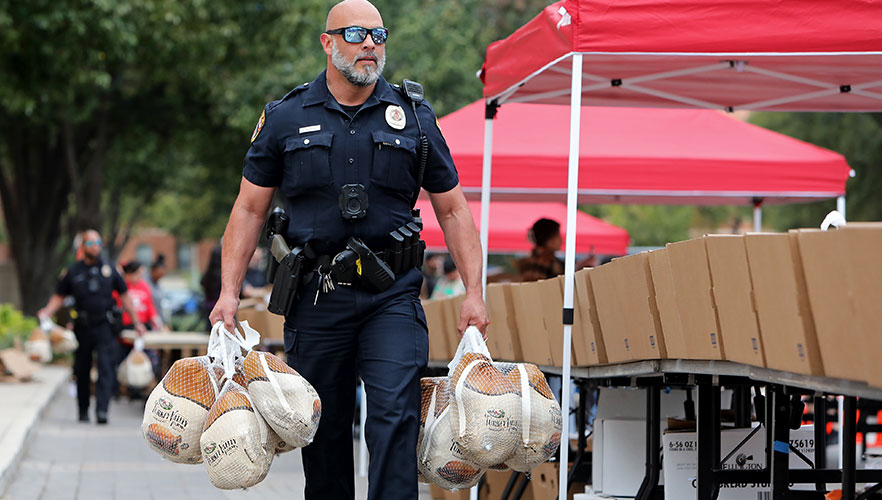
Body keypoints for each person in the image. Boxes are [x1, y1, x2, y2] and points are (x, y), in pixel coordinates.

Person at [209, 1, 487, 498]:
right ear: (327, 41)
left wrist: (474, 292)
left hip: (392, 297)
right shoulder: (286, 117)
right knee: (324, 431)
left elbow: (453, 210)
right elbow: (249, 210)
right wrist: (228, 293)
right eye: (356, 34)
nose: (369, 46)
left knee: (394, 417)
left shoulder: (415, 117)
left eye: (378, 36)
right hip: (316, 299)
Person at [38, 230, 146, 424]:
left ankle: (102, 411)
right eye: (90, 243)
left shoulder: (110, 269)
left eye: (98, 243)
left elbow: (124, 296)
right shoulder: (73, 271)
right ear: (83, 247)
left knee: (106, 368)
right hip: (82, 327)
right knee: (82, 369)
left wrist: (137, 322)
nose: (95, 246)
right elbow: (59, 296)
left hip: (104, 326)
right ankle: (83, 409)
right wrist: (46, 312)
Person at [516, 218, 565, 282]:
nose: (561, 240)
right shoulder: (549, 264)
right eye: (558, 235)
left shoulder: (527, 262)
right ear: (549, 239)